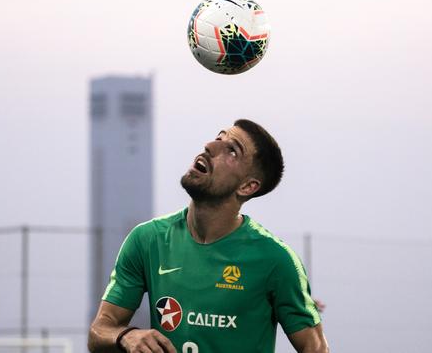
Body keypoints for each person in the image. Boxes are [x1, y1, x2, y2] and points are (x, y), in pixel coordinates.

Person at [88, 119, 329, 353]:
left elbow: (315, 347)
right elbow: (100, 331)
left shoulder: (277, 260)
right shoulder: (147, 240)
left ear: (247, 186)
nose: (210, 147)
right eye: (218, 138)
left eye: (232, 151)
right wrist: (125, 336)